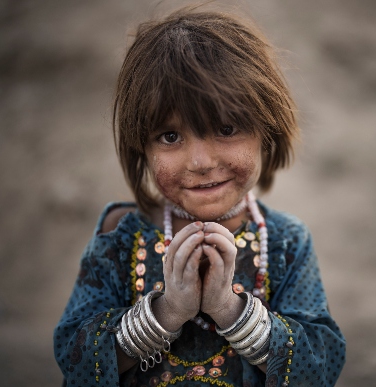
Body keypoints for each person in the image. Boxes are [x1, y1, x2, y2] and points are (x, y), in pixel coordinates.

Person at [54, 6, 346, 387]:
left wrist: (230, 310)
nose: (201, 161)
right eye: (170, 136)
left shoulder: (286, 242)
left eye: (226, 128)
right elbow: (73, 359)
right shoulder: (121, 235)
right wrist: (166, 312)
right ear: (141, 147)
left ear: (268, 130)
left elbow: (321, 367)